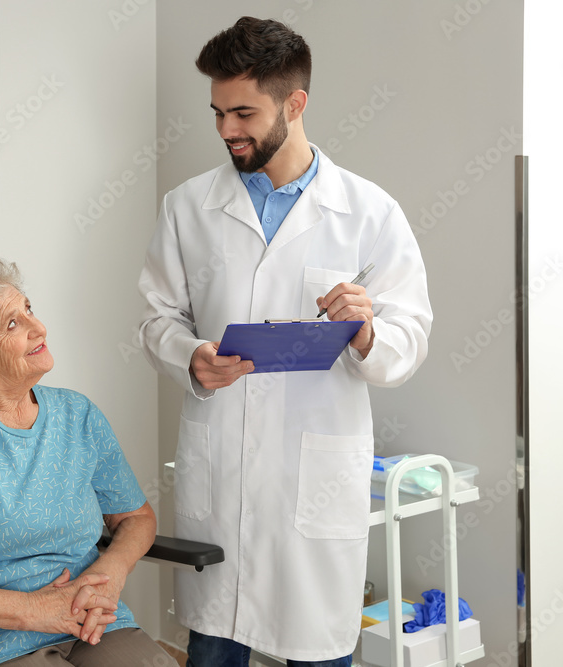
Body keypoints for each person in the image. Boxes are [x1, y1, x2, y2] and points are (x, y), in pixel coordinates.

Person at [137, 17, 433, 667]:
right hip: (222, 479)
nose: (225, 131)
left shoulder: (369, 212)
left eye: (242, 112)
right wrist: (191, 356)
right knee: (215, 645)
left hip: (313, 487)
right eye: (217, 112)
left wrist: (368, 331)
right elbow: (155, 318)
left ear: (295, 104)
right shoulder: (187, 207)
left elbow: (410, 340)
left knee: (318, 650)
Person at [0, 258, 178, 667]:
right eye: (11, 325)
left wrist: (107, 577)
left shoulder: (79, 415)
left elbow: (137, 518)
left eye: (29, 310)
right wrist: (35, 610)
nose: (38, 328)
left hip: (92, 622)